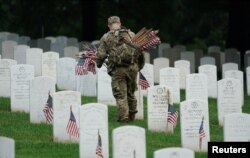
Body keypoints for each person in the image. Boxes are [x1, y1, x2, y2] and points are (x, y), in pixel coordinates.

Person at [96, 16, 145, 122]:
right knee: (131, 92)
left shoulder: (106, 37)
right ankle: (132, 114)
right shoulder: (131, 34)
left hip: (118, 70)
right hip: (133, 68)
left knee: (120, 94)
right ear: (119, 23)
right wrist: (139, 66)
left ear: (109, 25)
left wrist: (98, 64)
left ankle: (123, 117)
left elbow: (101, 54)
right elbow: (140, 51)